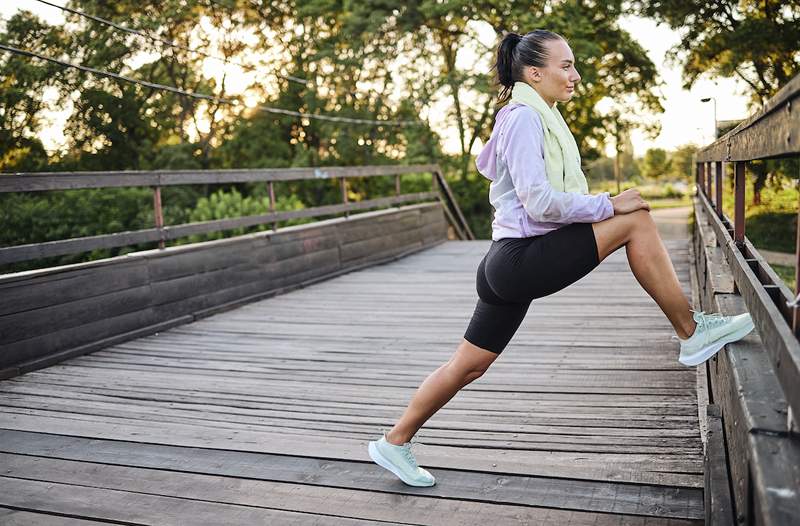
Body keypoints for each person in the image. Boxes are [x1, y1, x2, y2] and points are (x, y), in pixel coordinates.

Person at [367, 29, 755, 488]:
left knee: (466, 366)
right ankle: (691, 332)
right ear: (535, 73)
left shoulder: (531, 115)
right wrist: (609, 204)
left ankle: (394, 441)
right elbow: (540, 202)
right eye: (565, 66)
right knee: (636, 220)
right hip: (518, 260)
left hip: (506, 262)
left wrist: (605, 205)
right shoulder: (526, 119)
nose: (575, 75)